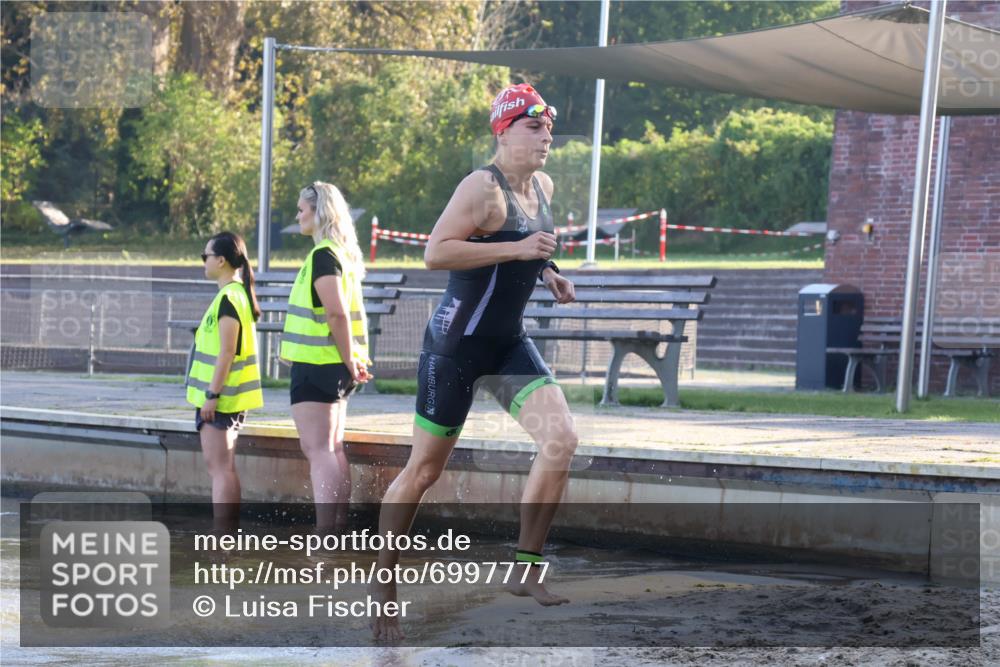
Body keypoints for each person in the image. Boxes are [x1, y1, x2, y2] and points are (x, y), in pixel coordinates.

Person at [371, 83, 579, 641]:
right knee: (425, 471)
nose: (546, 138)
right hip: (455, 347)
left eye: (549, 129)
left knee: (561, 440)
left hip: (507, 343)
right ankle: (383, 581)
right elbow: (435, 252)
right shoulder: (480, 187)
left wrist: (549, 273)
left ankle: (526, 567)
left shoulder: (543, 186)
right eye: (534, 127)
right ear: (503, 132)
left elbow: (528, 249)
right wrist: (518, 250)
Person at [281, 181, 371, 533]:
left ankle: (324, 535)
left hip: (318, 364)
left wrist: (349, 360)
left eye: (301, 209)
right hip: (333, 365)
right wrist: (351, 361)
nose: (298, 216)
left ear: (319, 212)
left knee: (318, 450)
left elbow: (336, 313)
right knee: (332, 448)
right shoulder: (339, 254)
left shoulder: (323, 256)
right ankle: (338, 528)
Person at [185, 231, 263, 529]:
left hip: (221, 399)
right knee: (222, 468)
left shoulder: (230, 298)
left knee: (220, 469)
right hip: (225, 398)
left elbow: (227, 352)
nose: (203, 261)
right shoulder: (234, 295)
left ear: (221, 260)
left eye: (205, 256)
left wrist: (212, 395)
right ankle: (226, 534)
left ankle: (223, 536)